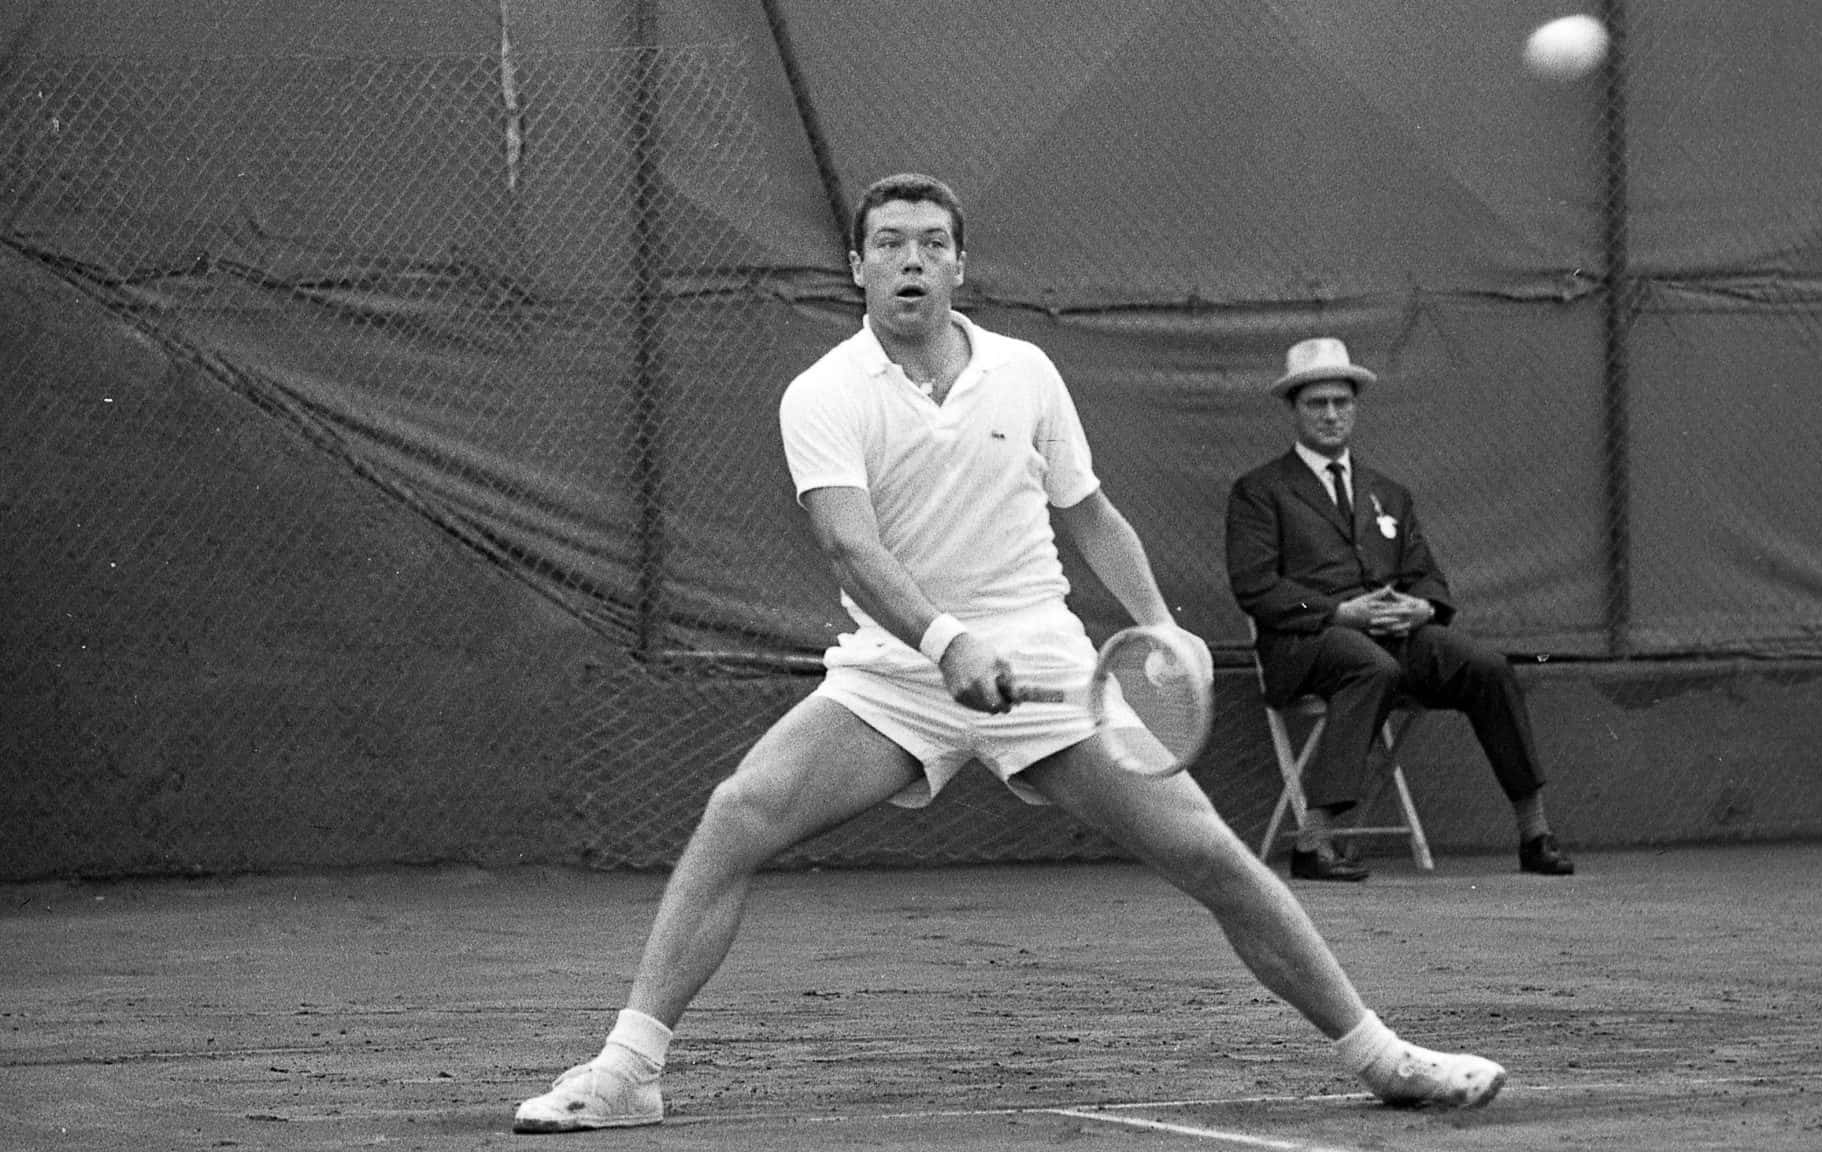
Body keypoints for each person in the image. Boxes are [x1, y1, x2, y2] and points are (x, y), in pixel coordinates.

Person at [511, 176, 1505, 1133]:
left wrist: (1157, 624)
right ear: (856, 266)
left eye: (931, 244)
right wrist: (946, 644)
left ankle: (1382, 1057)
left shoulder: (1025, 373)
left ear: (959, 264)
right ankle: (627, 1074)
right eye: (889, 244)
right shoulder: (822, 394)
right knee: (739, 813)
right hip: (895, 671)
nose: (910, 261)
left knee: (1209, 856)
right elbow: (850, 547)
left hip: (1045, 665)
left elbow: (1090, 513)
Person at [1225, 337, 1576, 883]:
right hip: (1307, 643)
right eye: (1317, 404)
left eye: (1342, 402)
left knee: (1487, 667)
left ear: (1355, 408)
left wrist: (1421, 608)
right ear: (1293, 410)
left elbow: (1427, 575)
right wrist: (1337, 613)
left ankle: (1535, 833)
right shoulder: (1260, 490)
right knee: (1372, 667)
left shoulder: (1388, 492)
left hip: (1391, 637)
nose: (1331, 414)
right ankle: (1312, 843)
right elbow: (1257, 586)